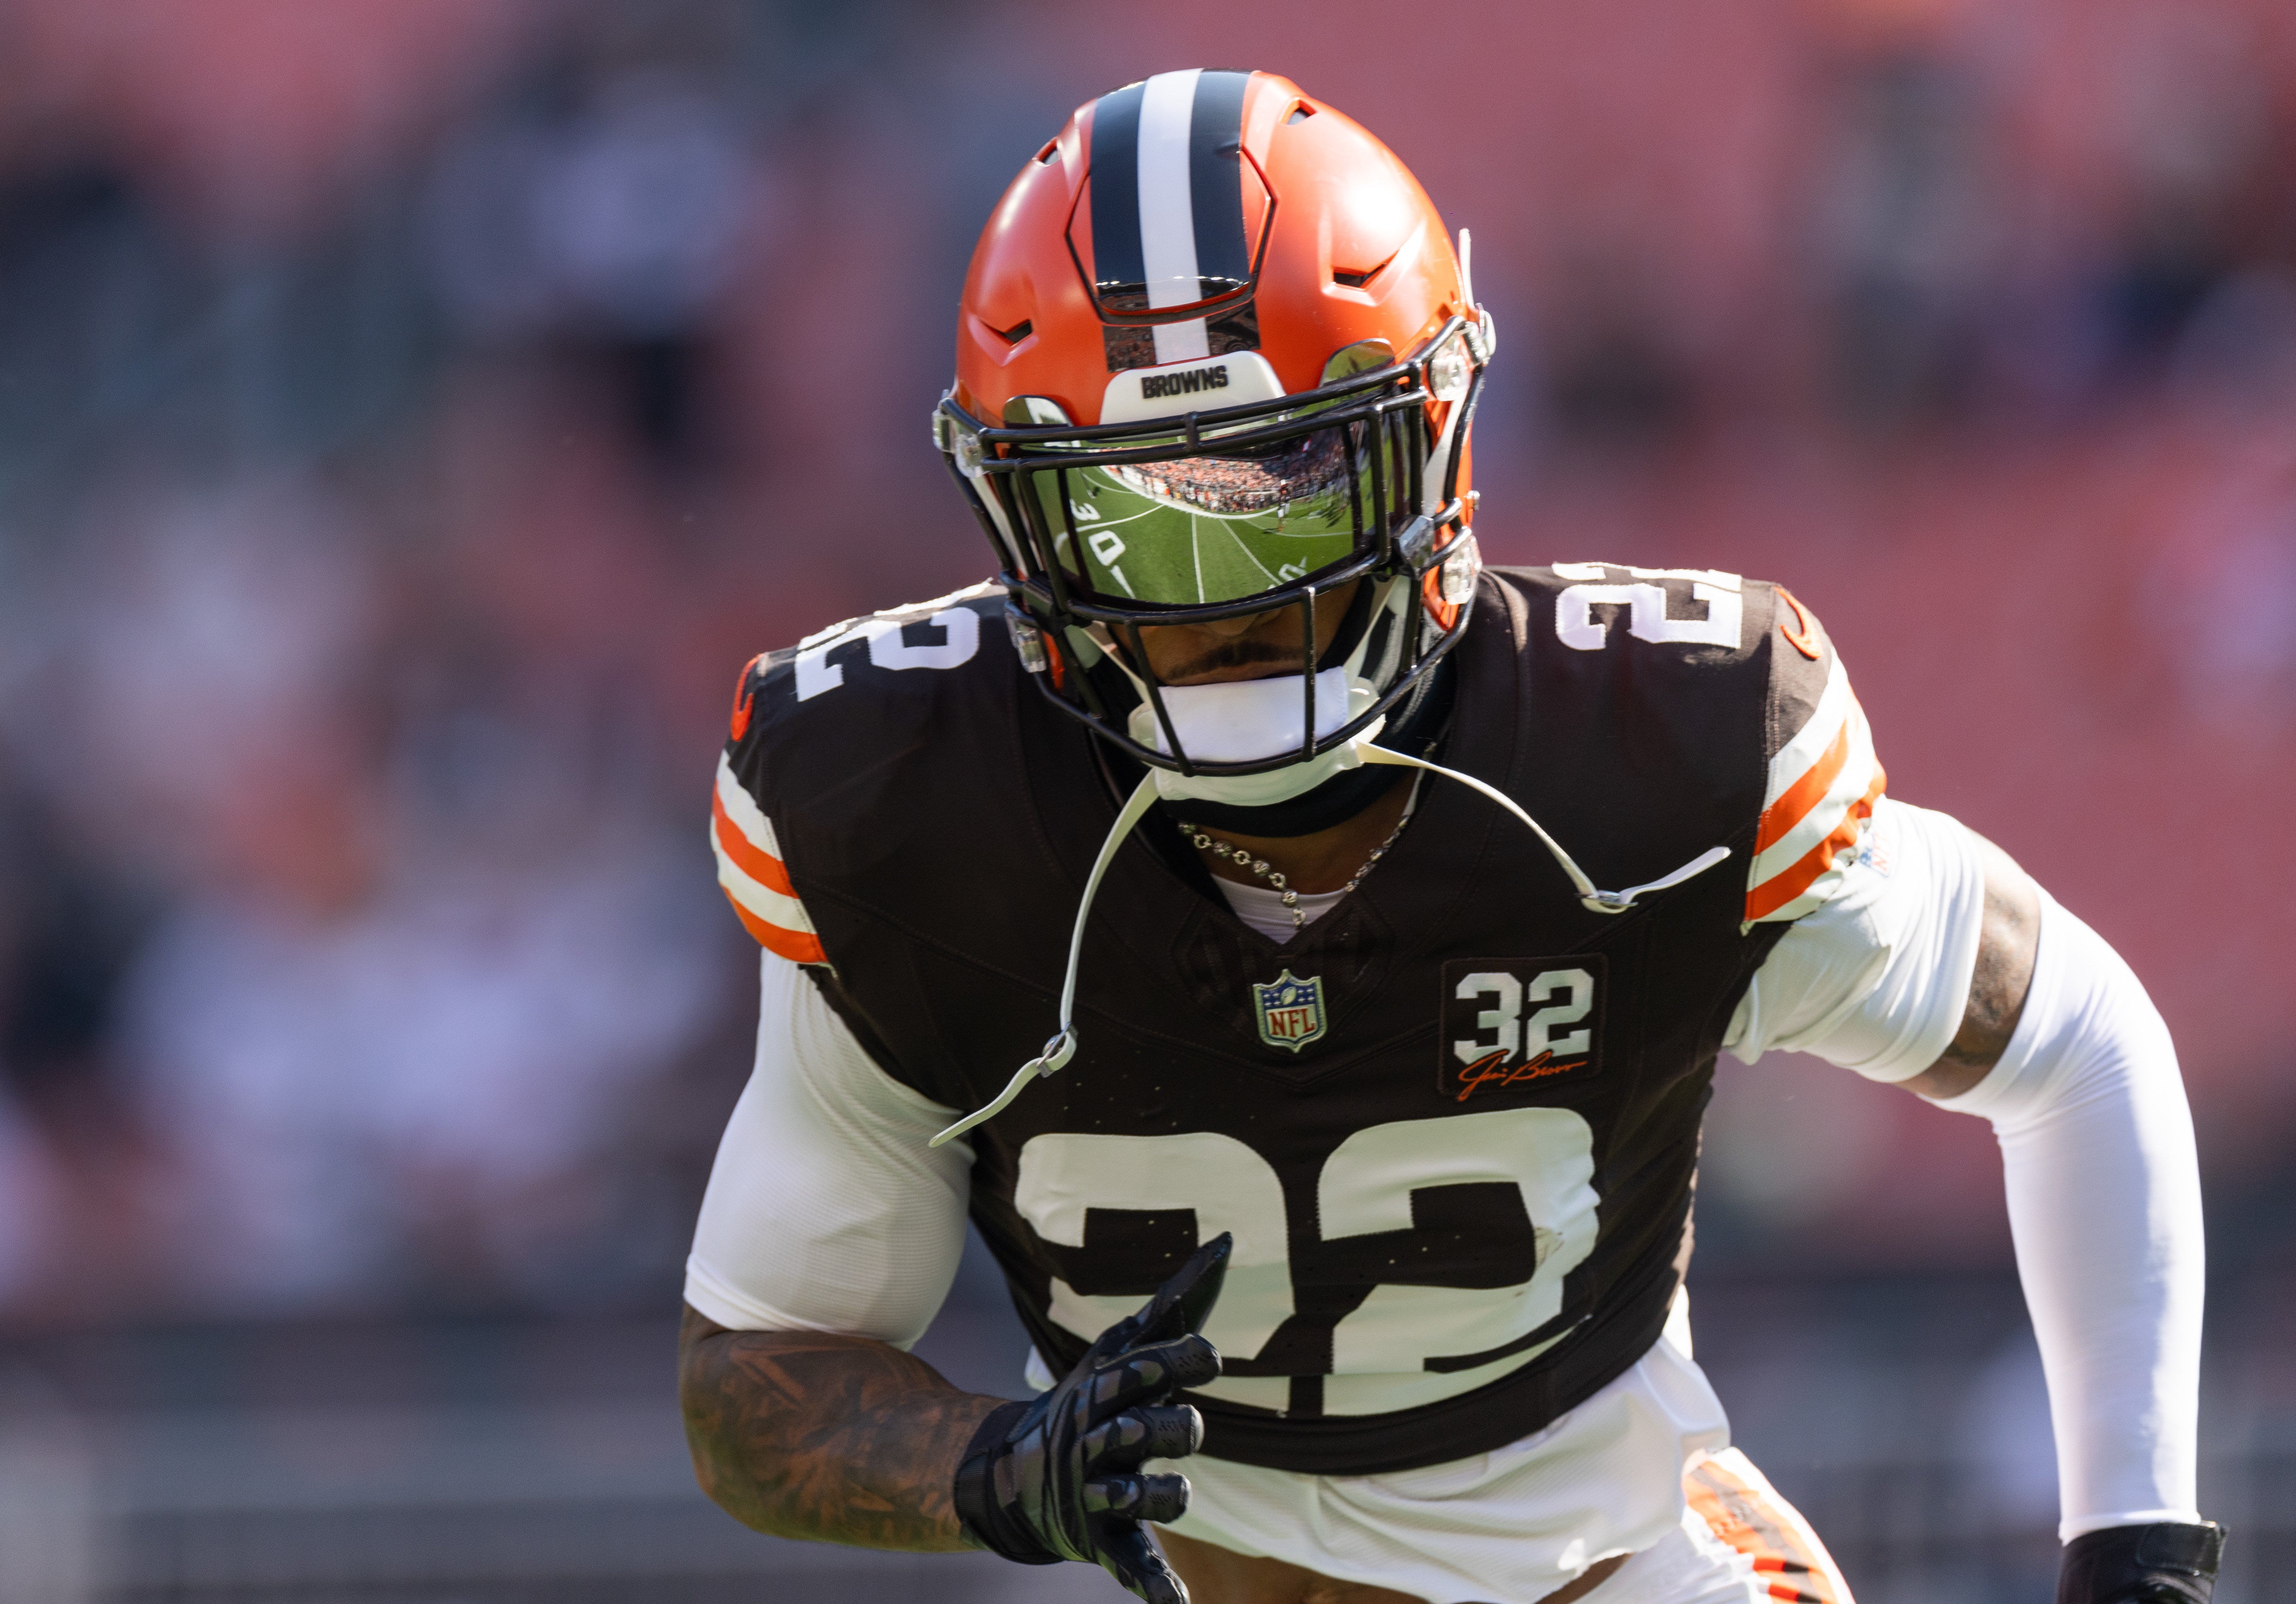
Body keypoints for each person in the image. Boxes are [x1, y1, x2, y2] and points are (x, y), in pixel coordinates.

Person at [677, 70, 2220, 1604]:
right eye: (1139, 524)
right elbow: (761, 1370)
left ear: (1429, 440)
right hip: (1148, 1573)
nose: (1226, 599)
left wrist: (2138, 1549)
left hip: (1599, 1563)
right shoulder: (909, 805)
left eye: (1281, 489)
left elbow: (2074, 1041)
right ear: (1024, 519)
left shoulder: (1647, 751)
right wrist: (1001, 1473)